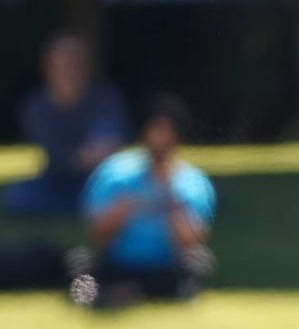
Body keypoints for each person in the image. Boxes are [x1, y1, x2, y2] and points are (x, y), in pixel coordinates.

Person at [70, 94, 215, 308]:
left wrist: (170, 197)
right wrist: (123, 209)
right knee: (80, 265)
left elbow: (192, 242)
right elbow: (95, 234)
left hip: (165, 267)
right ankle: (112, 292)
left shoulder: (191, 183)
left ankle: (133, 291)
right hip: (118, 263)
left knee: (196, 266)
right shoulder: (115, 174)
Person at [5, 33, 129, 216]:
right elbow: (58, 156)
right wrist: (84, 156)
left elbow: (114, 143)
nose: (70, 70)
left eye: (75, 63)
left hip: (100, 180)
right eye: (63, 63)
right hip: (57, 179)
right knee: (17, 196)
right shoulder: (36, 106)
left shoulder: (107, 98)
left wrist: (93, 155)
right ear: (48, 67)